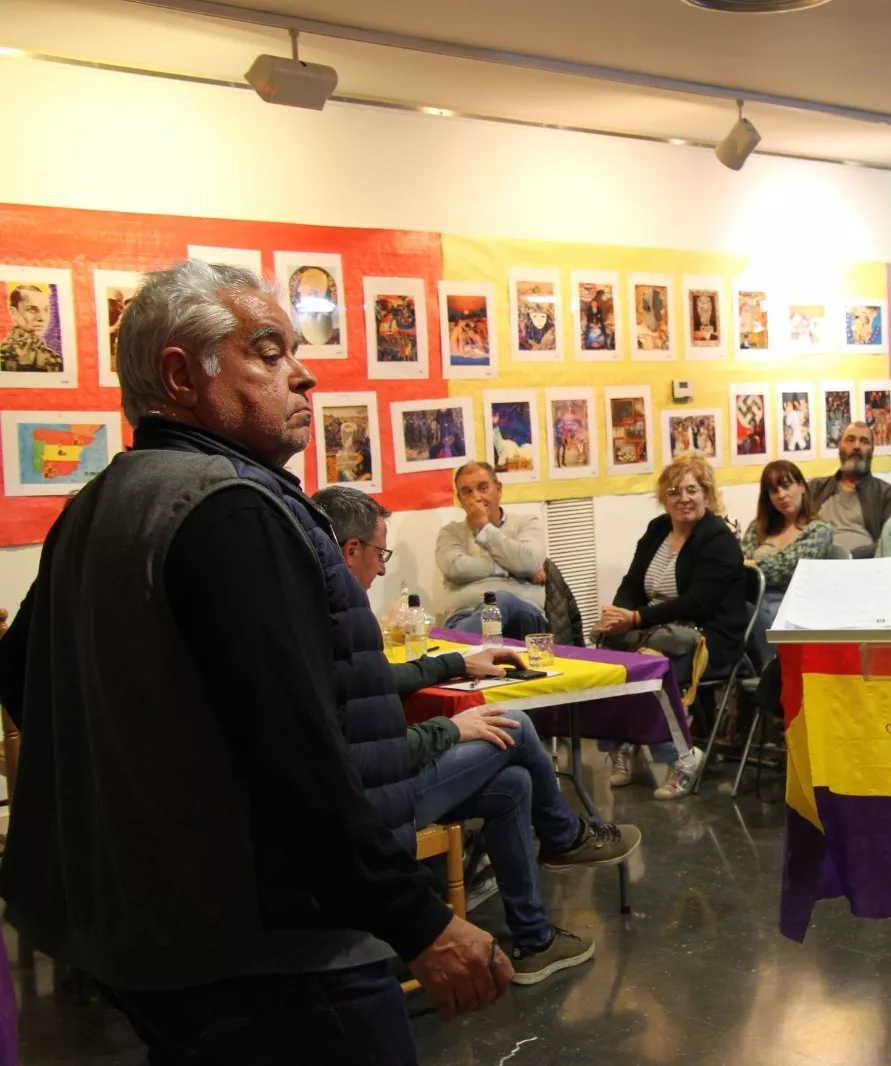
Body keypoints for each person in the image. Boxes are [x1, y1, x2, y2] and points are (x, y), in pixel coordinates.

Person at [0, 260, 510, 1062]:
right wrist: (416, 921)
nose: (302, 375)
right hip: (279, 955)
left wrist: (154, 801)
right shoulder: (232, 511)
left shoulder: (97, 504)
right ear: (181, 376)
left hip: (151, 936)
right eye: (269, 354)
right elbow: (296, 752)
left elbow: (21, 673)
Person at [314, 485, 643, 984]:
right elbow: (363, 755)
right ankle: (565, 837)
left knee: (514, 785)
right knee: (516, 725)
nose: (382, 569)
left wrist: (457, 662)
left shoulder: (319, 611)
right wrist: (449, 729)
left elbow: (375, 682)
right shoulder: (336, 621)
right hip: (371, 806)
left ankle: (535, 940)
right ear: (350, 550)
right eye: (381, 554)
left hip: (370, 791)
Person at [595, 453, 743, 799]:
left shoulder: (718, 539)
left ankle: (684, 757)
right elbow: (632, 583)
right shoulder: (658, 529)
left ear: (707, 494)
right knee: (606, 658)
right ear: (664, 498)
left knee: (649, 669)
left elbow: (696, 603)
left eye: (692, 490)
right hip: (660, 630)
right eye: (674, 491)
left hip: (708, 637)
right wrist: (617, 615)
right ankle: (620, 745)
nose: (683, 498)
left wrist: (635, 619)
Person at [436, 461, 550, 639]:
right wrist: (509, 567)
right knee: (493, 605)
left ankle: (452, 644)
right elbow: (455, 568)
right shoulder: (450, 532)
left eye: (483, 488)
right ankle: (457, 643)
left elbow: (529, 561)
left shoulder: (526, 523)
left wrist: (484, 529)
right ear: (460, 499)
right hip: (464, 615)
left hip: (523, 616)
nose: (476, 497)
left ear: (498, 489)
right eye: (467, 492)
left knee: (500, 601)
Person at [741, 460, 835, 665]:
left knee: (746, 612)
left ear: (802, 486)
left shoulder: (819, 529)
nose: (781, 495)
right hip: (755, 600)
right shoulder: (758, 527)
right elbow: (739, 567)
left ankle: (771, 670)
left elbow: (790, 569)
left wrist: (753, 564)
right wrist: (752, 567)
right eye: (774, 491)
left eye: (786, 486)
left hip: (793, 605)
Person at [807, 421, 891, 558]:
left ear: (872, 449)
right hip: (817, 563)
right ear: (840, 446)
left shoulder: (887, 494)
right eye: (850, 440)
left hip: (865, 565)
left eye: (864, 441)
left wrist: (847, 557)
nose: (857, 446)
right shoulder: (815, 488)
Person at [0, 284, 64, 373]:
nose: (41, 318)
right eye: (32, 309)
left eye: (45, 310)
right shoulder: (3, 355)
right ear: (13, 313)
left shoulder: (54, 361)